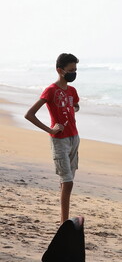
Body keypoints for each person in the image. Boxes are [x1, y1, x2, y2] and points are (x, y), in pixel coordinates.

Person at [24, 53, 80, 224]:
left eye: (76, 70)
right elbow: (29, 114)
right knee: (68, 182)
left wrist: (72, 109)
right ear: (60, 70)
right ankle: (64, 223)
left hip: (74, 137)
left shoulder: (72, 90)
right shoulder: (50, 90)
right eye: (71, 70)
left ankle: (63, 217)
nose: (74, 73)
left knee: (67, 180)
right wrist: (50, 129)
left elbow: (75, 106)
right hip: (60, 140)